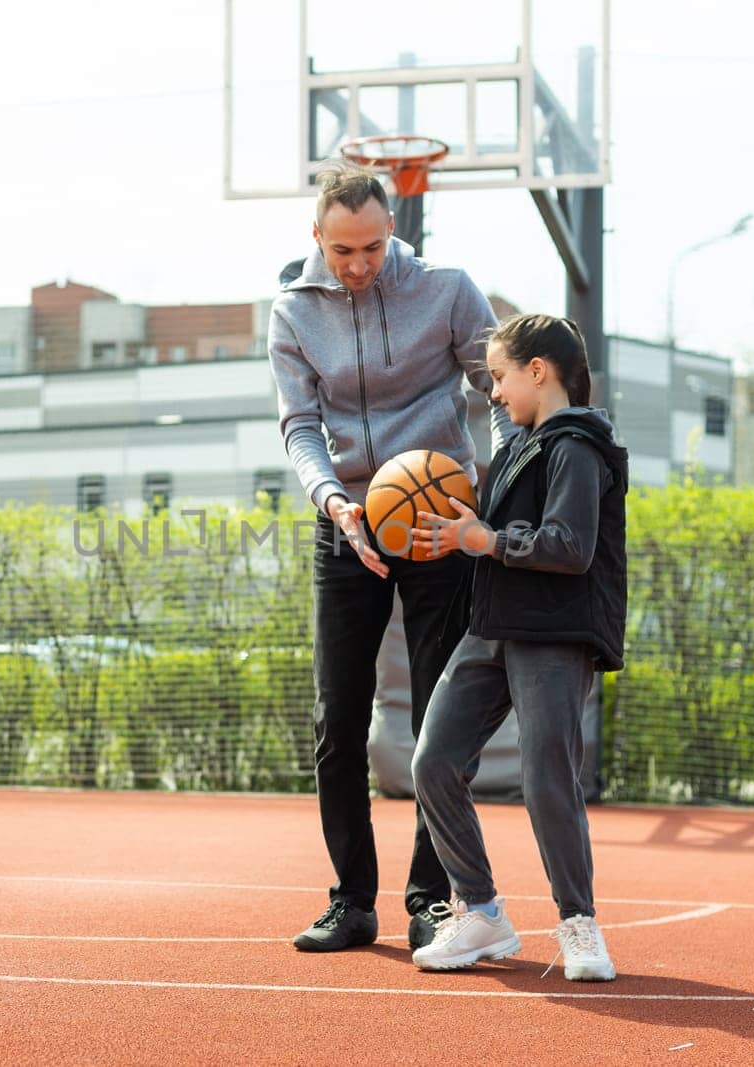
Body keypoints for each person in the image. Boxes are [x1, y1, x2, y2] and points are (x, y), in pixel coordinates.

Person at [268, 161, 513, 952]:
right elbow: (300, 424)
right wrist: (331, 499)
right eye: (343, 250)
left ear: (391, 228)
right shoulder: (292, 311)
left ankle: (430, 899)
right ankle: (352, 899)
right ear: (318, 239)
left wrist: (498, 489)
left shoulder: (446, 288)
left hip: (441, 515)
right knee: (337, 717)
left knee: (441, 718)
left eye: (372, 246)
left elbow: (499, 392)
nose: (360, 263)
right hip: (347, 519)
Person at [406, 313, 627, 981]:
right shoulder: (517, 448)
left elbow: (570, 544)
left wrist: (488, 541)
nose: (493, 392)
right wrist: (463, 534)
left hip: (553, 630)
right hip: (494, 625)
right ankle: (481, 911)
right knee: (433, 761)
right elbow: (489, 533)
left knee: (547, 779)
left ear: (539, 370)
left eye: (500, 377)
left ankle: (579, 922)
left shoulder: (578, 446)